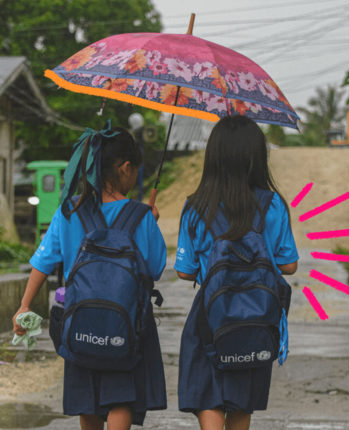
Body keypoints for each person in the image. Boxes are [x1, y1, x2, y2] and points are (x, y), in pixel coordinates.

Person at [12, 123, 167, 430]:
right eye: (135, 169)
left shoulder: (70, 211)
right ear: (124, 168)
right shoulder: (141, 216)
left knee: (88, 401)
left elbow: (43, 262)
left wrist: (25, 306)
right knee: (121, 397)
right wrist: (151, 222)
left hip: (79, 319)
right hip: (127, 322)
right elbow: (155, 267)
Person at [174, 115, 299, 430]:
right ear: (257, 157)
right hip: (257, 315)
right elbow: (289, 265)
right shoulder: (273, 205)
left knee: (207, 397)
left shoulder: (195, 207)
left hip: (209, 316)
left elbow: (185, 273)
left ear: (213, 156)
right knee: (241, 405)